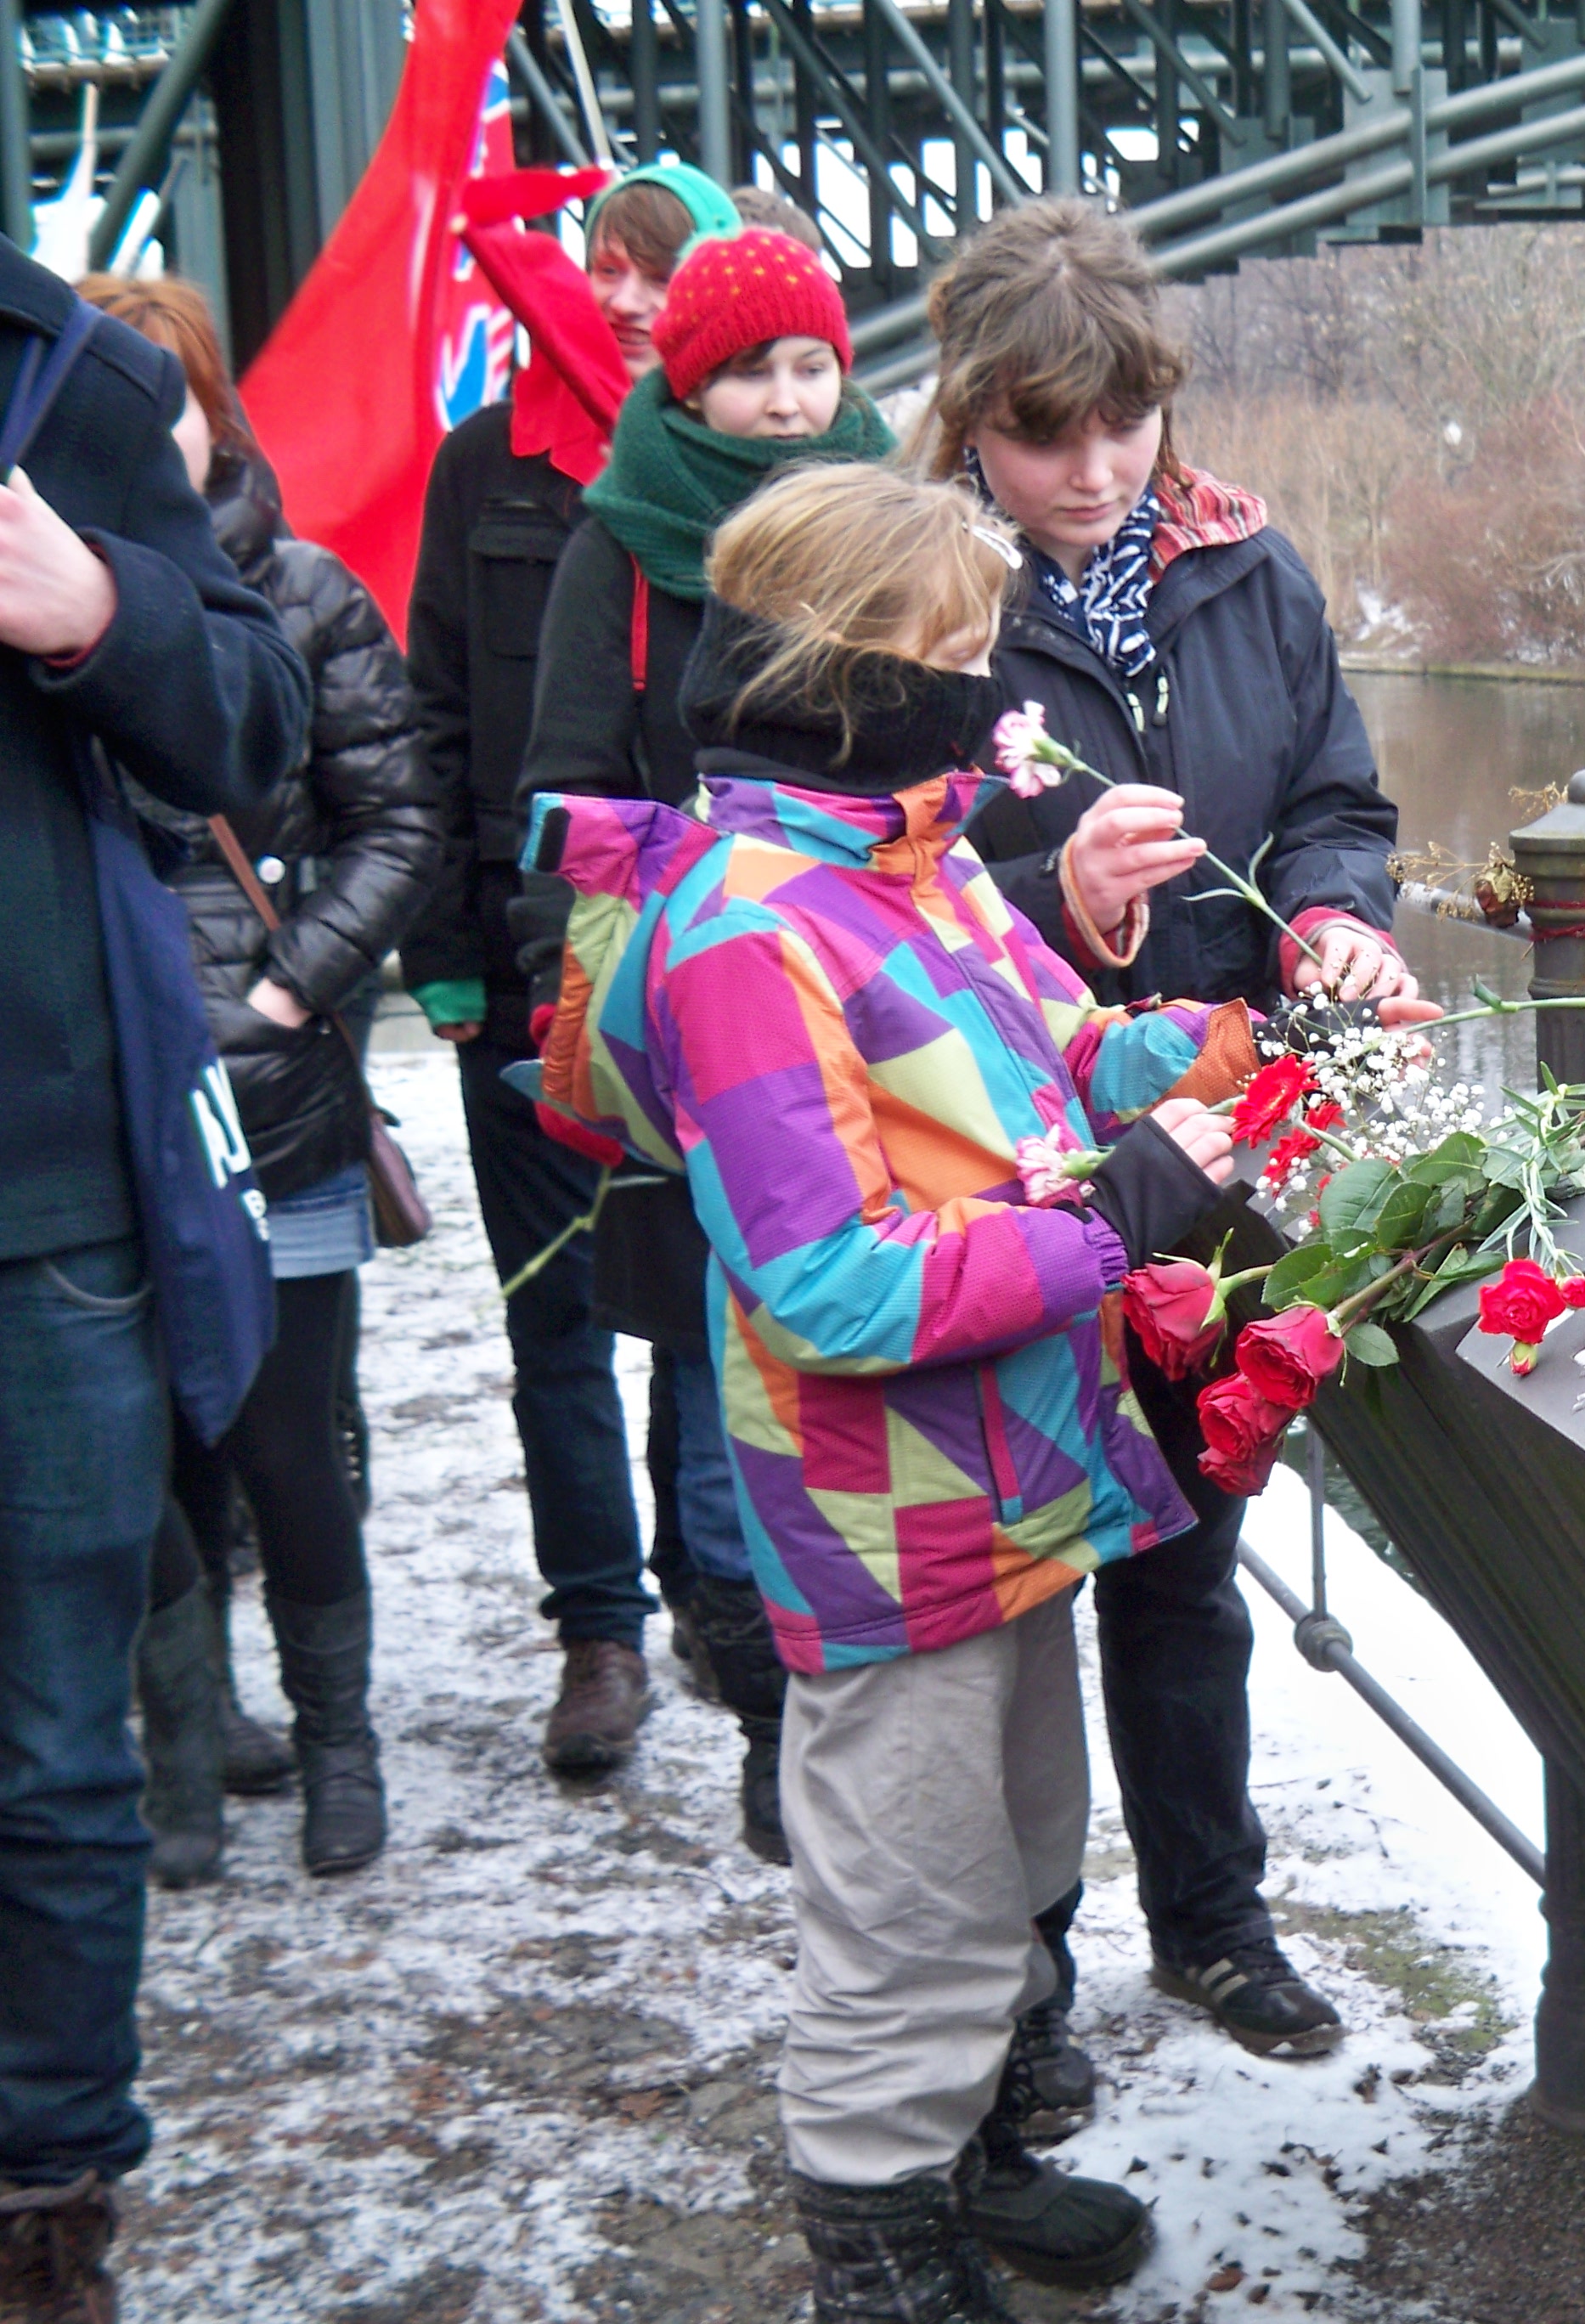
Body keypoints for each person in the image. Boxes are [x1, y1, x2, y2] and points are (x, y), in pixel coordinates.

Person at [530, 462, 1253, 2313]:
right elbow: (828, 1282)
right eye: (953, 654)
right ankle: (878, 2235)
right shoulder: (753, 931)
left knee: (1010, 1852)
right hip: (889, 1509)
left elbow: (1064, 1056)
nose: (982, 692)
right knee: (903, 1906)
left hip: (1018, 1471)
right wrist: (1119, 1230)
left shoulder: (913, 862)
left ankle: (983, 2152)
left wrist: (1246, 1048)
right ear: (846, 677)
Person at [919, 199, 1430, 2105]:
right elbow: (871, 896)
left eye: (1123, 425)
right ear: (971, 417)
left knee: (1187, 1557)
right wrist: (1054, 893)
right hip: (1014, 1161)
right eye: (1049, 435)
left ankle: (1212, 1923)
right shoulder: (922, 599)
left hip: (1219, 1141)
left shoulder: (1248, 569)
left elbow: (1332, 797)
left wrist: (1338, 914)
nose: (1096, 471)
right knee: (1020, 1584)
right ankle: (1020, 1992)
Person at [0, 240, 310, 2319]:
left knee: (46, 1739)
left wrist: (96, 611)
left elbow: (260, 718)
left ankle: (43, 2201)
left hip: (44, 1207)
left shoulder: (63, 381)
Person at [516, 223, 897, 1861]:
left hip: (890, 1011)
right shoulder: (622, 548)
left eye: (813, 361)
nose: (792, 397)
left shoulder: (896, 516)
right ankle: (769, 1710)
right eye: (755, 368)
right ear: (692, 378)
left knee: (874, 1360)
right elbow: (564, 791)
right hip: (714, 1016)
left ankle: (865, 1678)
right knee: (724, 1377)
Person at [81, 275, 442, 1886]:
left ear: (211, 413)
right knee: (143, 1450)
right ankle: (185, 1749)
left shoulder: (298, 593)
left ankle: (336, 1742)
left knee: (292, 1442)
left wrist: (296, 985)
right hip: (98, 1119)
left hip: (271, 1112)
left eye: (156, 396)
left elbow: (399, 817)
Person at [404, 164, 749, 1785]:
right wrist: (454, 962)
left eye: (655, 270)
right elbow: (436, 723)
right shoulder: (486, 470)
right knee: (553, 1316)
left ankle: (705, 1583)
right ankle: (597, 1632)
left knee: (698, 1302)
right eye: (601, 263)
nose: (618, 295)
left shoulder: (748, 481)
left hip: (716, 974)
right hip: (536, 956)